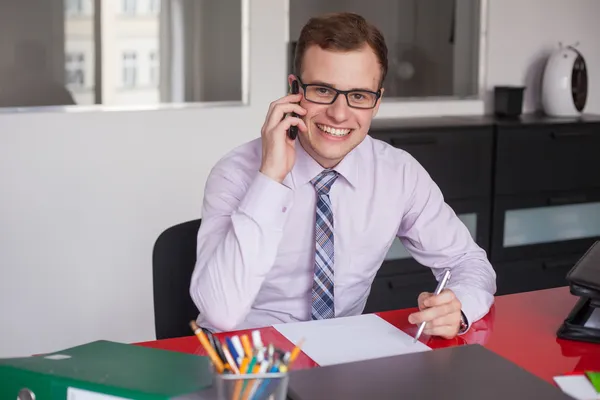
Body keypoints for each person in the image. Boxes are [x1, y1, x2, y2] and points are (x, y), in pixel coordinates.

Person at [189, 12, 496, 338]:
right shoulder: (235, 172)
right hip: (244, 360)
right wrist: (270, 179)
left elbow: (470, 262)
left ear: (377, 103)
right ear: (294, 90)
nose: (339, 113)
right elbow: (220, 312)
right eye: (322, 90)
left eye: (359, 96)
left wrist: (458, 306)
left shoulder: (398, 173)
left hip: (339, 360)